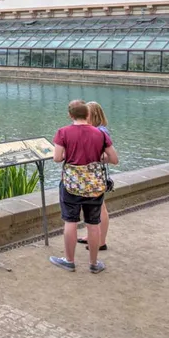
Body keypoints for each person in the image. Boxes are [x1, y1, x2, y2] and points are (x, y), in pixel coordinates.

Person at [51, 99, 118, 274]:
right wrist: (97, 157)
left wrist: (68, 153)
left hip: (71, 184)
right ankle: (94, 264)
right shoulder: (100, 134)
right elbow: (114, 159)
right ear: (87, 115)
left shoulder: (63, 132)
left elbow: (57, 158)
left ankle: (69, 260)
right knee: (93, 223)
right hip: (94, 185)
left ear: (70, 115)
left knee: (70, 221)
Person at [79, 101, 112, 253]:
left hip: (95, 173)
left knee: (101, 208)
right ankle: (91, 236)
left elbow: (108, 155)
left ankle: (101, 241)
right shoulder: (93, 129)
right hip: (88, 173)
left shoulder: (101, 131)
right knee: (89, 207)